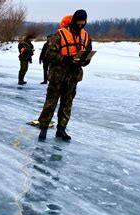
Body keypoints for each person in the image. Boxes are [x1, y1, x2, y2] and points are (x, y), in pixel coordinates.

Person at [37, 9, 92, 141]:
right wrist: (66, 59)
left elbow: (88, 52)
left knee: (67, 105)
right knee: (50, 103)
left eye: (82, 24)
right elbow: (49, 54)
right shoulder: (60, 34)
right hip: (58, 76)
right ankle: (43, 128)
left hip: (73, 77)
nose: (80, 26)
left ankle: (61, 129)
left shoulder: (86, 36)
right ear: (73, 21)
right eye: (78, 23)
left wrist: (85, 60)